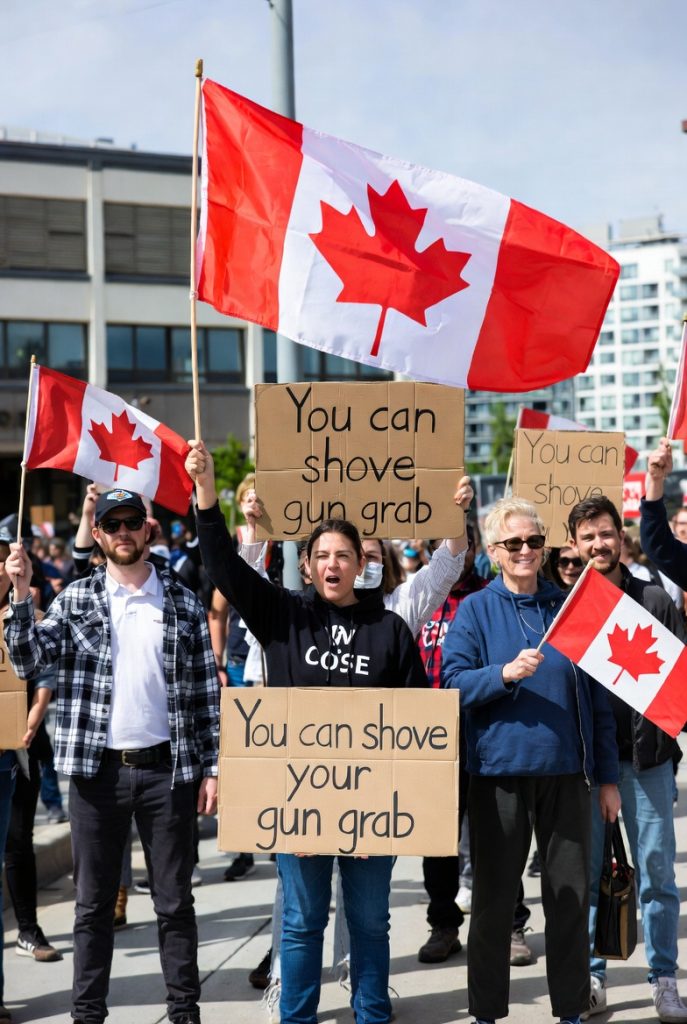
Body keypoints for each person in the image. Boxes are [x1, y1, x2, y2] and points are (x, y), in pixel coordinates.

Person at [186, 439, 429, 1024]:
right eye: (321, 555)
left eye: (343, 554)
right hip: (298, 804)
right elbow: (223, 568)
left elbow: (417, 720)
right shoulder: (283, 614)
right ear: (308, 562)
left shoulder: (391, 628)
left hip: (373, 808)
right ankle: (297, 1016)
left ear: (362, 563)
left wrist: (390, 811)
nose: (332, 565)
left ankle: (371, 1012)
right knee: (301, 921)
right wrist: (206, 493)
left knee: (371, 922)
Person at [4, 487, 219, 1024]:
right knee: (93, 907)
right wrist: (20, 594)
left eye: (132, 522)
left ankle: (184, 1011)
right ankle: (88, 1014)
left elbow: (204, 694)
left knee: (174, 904)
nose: (123, 532)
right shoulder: (75, 599)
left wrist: (214, 768)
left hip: (167, 772)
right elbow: (27, 659)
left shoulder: (182, 601)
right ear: (96, 535)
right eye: (112, 524)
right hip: (96, 775)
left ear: (147, 530)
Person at [440, 496, 620, 1024]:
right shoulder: (475, 608)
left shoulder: (570, 605)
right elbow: (451, 682)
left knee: (568, 898)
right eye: (514, 543)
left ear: (546, 546)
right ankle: (487, 1013)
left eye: (535, 541)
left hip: (567, 776)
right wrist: (502, 675)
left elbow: (600, 702)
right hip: (498, 778)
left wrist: (607, 778)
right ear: (494, 550)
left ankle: (569, 1009)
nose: (526, 551)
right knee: (494, 905)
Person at [568, 495, 687, 1023]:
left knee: (657, 874)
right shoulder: (566, 609)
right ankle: (593, 978)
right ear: (574, 544)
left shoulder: (655, 601)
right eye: (588, 536)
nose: (599, 543)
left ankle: (664, 979)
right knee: (594, 873)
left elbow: (681, 688)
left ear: (621, 536)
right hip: (593, 768)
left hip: (650, 765)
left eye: (606, 533)